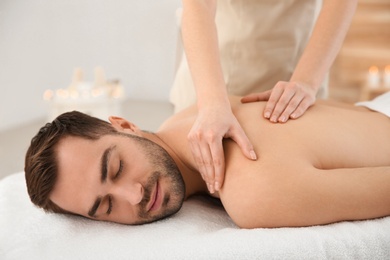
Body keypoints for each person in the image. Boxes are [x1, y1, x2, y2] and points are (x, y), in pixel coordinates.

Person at [25, 93, 390, 228]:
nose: (134, 196)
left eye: (116, 168)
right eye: (106, 206)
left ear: (125, 125)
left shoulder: (254, 194)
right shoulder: (187, 115)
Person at [171, 0, 358, 194]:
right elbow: (198, 5)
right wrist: (212, 103)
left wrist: (307, 81)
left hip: (297, 82)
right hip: (213, 80)